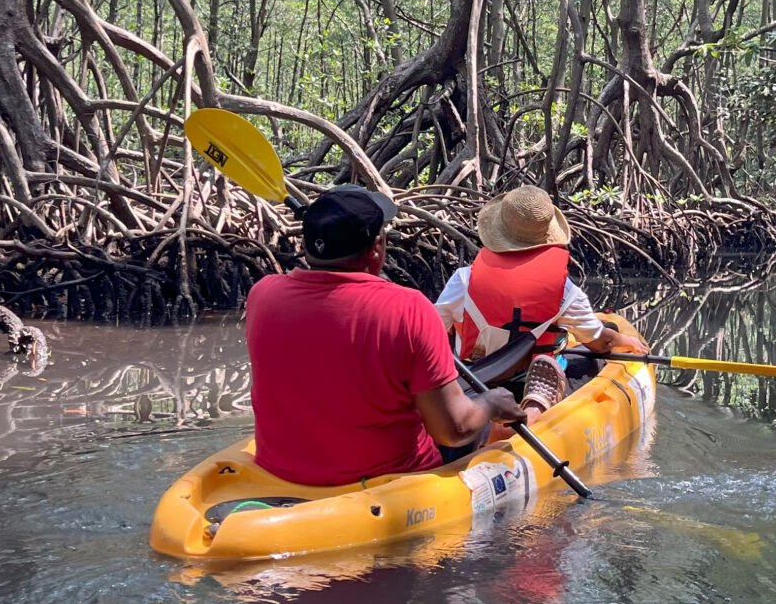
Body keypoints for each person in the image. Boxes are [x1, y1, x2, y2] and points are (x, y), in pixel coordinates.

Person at [245, 186, 523, 486]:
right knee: (478, 419)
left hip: (281, 478)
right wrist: (492, 403)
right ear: (377, 247)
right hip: (389, 485)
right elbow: (453, 430)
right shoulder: (411, 308)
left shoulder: (262, 294)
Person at [433, 186, 619, 422]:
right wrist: (624, 341)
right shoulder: (565, 291)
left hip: (475, 379)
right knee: (586, 358)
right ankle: (536, 405)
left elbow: (433, 333)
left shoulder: (463, 279)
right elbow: (600, 343)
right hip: (525, 376)